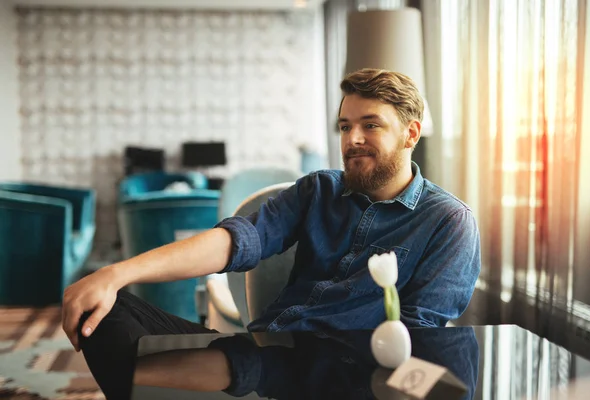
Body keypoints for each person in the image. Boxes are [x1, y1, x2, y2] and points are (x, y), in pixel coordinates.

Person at [61, 68, 481, 399]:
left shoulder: (448, 222)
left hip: (344, 379)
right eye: (344, 126)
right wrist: (116, 274)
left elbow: (416, 339)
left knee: (133, 377)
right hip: (260, 358)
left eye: (370, 125)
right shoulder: (319, 189)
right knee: (97, 311)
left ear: (410, 133)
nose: (352, 139)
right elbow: (237, 241)